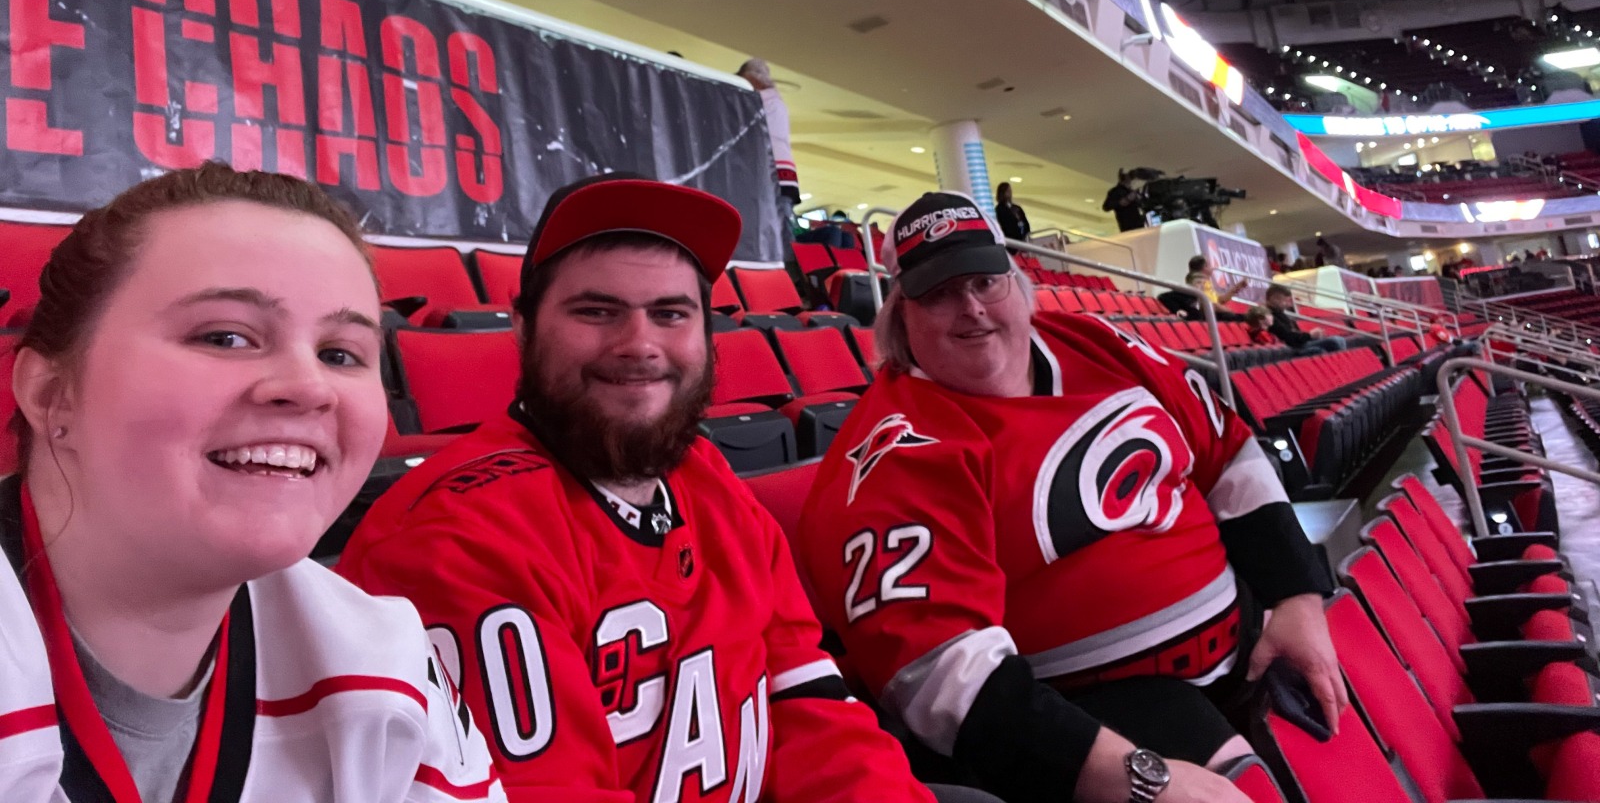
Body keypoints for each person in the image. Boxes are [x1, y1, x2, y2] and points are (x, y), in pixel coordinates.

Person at [339, 174, 972, 803]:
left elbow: (808, 707)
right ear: (523, 326)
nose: (639, 344)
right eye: (596, 311)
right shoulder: (454, 538)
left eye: (670, 314)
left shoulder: (707, 477)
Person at [797, 192, 1344, 803]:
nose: (971, 307)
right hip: (1101, 721)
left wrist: (1296, 597)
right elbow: (940, 673)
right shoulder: (897, 449)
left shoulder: (1096, 343)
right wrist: (1132, 775)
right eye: (939, 293)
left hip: (1252, 641)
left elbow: (1227, 452)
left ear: (1017, 284)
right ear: (901, 316)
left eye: (984, 281)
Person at [2, 163, 503, 803]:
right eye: (226, 337)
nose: (309, 387)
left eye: (340, 354)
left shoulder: (384, 660)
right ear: (51, 393)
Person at [738, 58, 801, 211]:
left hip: (772, 173)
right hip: (784, 175)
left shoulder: (760, 102)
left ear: (753, 79)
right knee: (781, 218)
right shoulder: (776, 101)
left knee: (771, 218)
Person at [1263, 284, 1346, 354]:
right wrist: (1310, 335)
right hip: (1293, 348)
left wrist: (1311, 336)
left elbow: (1294, 333)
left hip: (1298, 344)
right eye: (1285, 301)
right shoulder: (1269, 316)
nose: (1288, 305)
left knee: (1339, 340)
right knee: (1335, 341)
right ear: (1274, 299)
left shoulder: (1280, 313)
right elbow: (1288, 337)